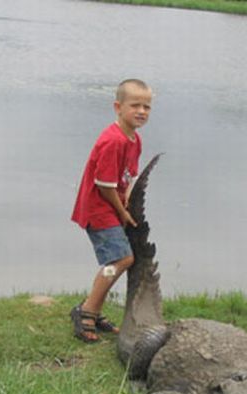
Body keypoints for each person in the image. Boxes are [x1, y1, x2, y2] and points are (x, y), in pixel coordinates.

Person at [70, 79, 153, 343]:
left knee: (116, 261)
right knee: (120, 261)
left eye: (147, 107)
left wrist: (127, 205)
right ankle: (87, 311)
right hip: (99, 208)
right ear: (118, 107)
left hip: (112, 206)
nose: (141, 111)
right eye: (135, 105)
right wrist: (121, 212)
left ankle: (93, 306)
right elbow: (104, 186)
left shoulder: (134, 139)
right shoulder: (113, 141)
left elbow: (127, 178)